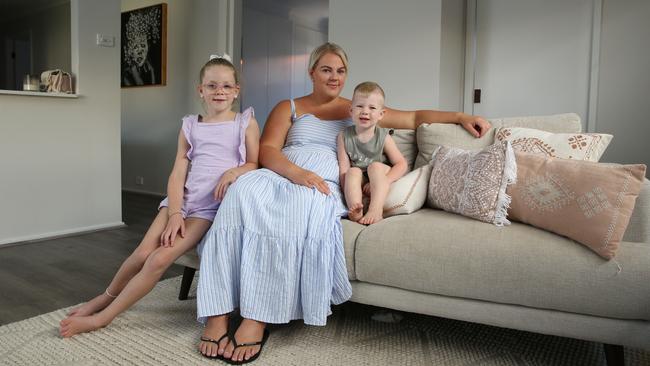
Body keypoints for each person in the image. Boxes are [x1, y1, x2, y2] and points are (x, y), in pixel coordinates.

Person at [196, 42, 491, 364]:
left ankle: (257, 317)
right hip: (286, 170)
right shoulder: (289, 106)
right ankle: (217, 313)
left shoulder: (359, 107)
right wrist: (296, 173)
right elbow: (267, 149)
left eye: (340, 71)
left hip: (324, 179)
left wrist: (462, 115)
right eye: (326, 69)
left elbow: (417, 116)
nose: (334, 76)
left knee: (298, 209)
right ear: (311, 72)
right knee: (241, 192)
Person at [59, 55, 260, 338]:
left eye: (227, 86)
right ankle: (104, 297)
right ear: (200, 90)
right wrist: (175, 212)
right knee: (141, 253)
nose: (220, 92)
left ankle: (104, 317)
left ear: (236, 90)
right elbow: (178, 172)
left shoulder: (245, 122)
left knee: (158, 260)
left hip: (208, 208)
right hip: (182, 201)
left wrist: (235, 171)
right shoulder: (191, 125)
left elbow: (255, 163)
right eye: (212, 86)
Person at [337, 81, 407, 225]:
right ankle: (356, 209)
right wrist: (350, 192)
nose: (365, 111)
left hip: (380, 173)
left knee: (374, 166)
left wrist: (385, 181)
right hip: (362, 178)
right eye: (360, 106)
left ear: (381, 114)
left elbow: (401, 164)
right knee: (351, 172)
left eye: (372, 107)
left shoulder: (383, 136)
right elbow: (343, 169)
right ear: (351, 110)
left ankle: (376, 209)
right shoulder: (344, 136)